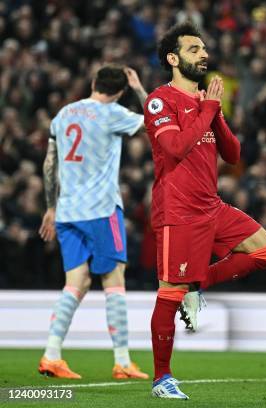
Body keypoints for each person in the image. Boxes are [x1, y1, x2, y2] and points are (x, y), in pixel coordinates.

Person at [144, 22, 266, 399]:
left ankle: (198, 285)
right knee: (169, 292)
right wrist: (207, 109)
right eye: (193, 49)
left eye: (203, 48)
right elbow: (174, 148)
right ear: (173, 59)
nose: (204, 54)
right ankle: (161, 379)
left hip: (211, 205)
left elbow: (233, 155)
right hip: (179, 211)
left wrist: (214, 112)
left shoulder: (206, 102)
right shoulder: (160, 100)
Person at [38, 65, 149, 380]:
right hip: (101, 211)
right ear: (119, 92)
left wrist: (50, 207)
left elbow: (50, 162)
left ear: (93, 83)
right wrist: (139, 89)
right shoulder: (113, 113)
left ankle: (51, 354)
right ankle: (123, 360)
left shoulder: (63, 114)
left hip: (67, 212)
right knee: (114, 281)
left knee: (76, 283)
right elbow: (158, 121)